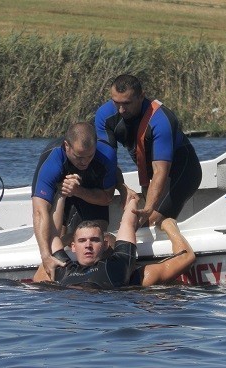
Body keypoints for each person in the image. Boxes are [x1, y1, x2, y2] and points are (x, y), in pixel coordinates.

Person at [94, 74, 202, 228]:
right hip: (149, 173)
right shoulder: (105, 116)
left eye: (127, 103)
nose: (121, 109)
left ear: (141, 97)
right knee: (140, 224)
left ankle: (183, 249)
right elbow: (107, 160)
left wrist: (149, 209)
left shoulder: (161, 120)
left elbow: (160, 171)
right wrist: (122, 187)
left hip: (181, 172)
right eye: (116, 102)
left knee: (151, 222)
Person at [32, 194, 196, 288]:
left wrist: (168, 226)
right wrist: (61, 194)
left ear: (104, 245)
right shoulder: (61, 268)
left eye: (94, 240)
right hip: (74, 324)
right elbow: (52, 233)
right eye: (82, 241)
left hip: (109, 317)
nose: (88, 245)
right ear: (73, 247)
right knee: (42, 270)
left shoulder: (117, 266)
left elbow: (127, 224)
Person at [32, 122, 117, 279]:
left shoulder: (106, 154)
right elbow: (39, 210)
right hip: (61, 194)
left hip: (91, 192)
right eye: (79, 157)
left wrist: (78, 191)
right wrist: (45, 256)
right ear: (67, 146)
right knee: (54, 238)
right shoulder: (53, 159)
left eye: (89, 156)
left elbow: (108, 197)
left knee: (99, 234)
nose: (84, 162)